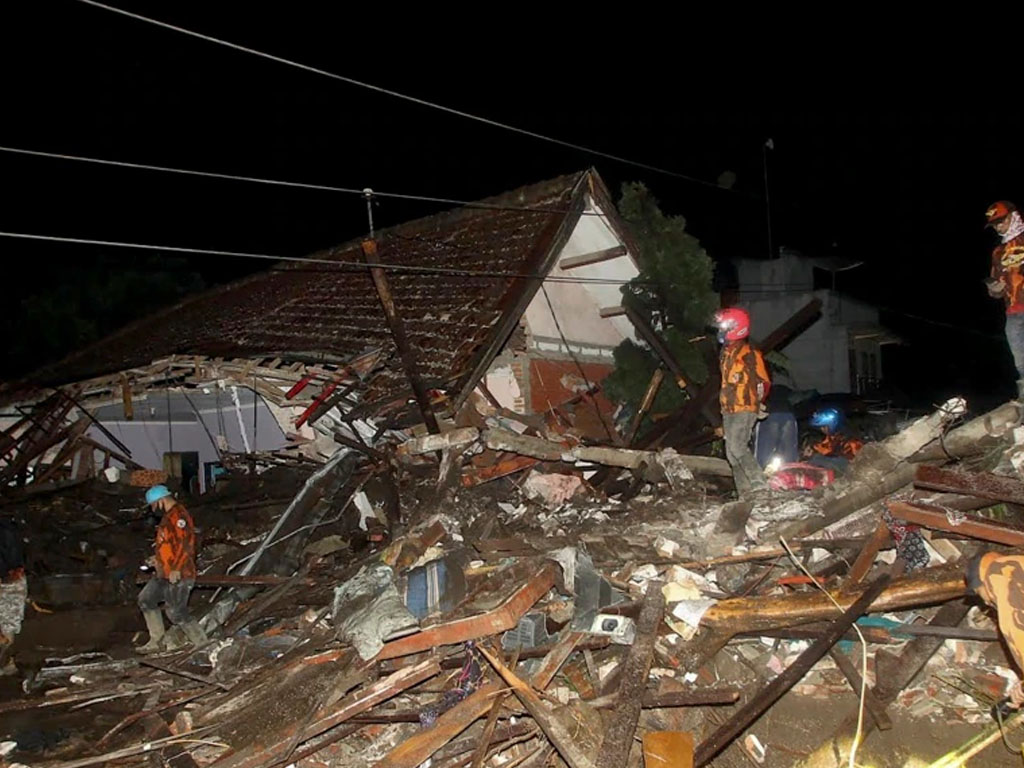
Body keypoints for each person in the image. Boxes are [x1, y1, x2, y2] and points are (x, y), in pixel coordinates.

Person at [137, 485, 206, 653]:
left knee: (176, 612)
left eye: (154, 505)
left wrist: (177, 568)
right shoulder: (168, 518)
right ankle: (156, 641)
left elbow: (186, 545)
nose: (153, 510)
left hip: (181, 573)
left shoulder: (179, 515)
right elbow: (170, 546)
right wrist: (157, 560)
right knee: (146, 599)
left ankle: (203, 644)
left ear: (161, 501)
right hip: (163, 573)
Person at [713, 308, 771, 497]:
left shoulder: (750, 354)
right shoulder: (726, 353)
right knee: (731, 454)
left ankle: (760, 485)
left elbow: (764, 381)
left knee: (738, 448)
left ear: (736, 328)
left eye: (724, 326)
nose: (720, 330)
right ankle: (745, 494)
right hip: (729, 409)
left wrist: (757, 403)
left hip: (744, 408)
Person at [966, 551, 1024, 708]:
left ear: (983, 582)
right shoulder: (1016, 566)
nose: (985, 601)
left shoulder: (1006, 596)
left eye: (979, 594)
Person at [985, 200, 1024, 400]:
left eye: (1002, 221)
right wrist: (995, 289)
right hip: (1013, 311)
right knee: (1020, 362)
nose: (999, 227)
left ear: (1013, 215)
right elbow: (997, 287)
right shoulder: (998, 252)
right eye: (995, 224)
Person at [0, 518, 26, 674]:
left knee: (8, 628)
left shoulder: (7, 529)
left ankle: (5, 662)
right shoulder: (8, 528)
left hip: (10, 582)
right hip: (11, 580)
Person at [804, 407, 863, 474]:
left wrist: (815, 453)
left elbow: (830, 450)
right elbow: (826, 446)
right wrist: (813, 448)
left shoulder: (850, 440)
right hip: (841, 464)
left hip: (847, 467)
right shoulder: (833, 436)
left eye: (823, 427)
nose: (822, 429)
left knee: (817, 459)